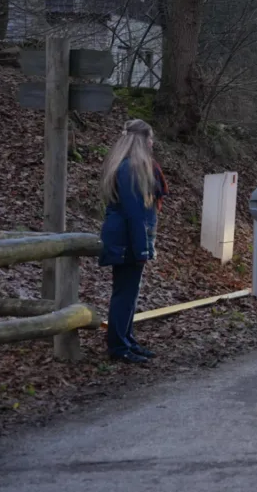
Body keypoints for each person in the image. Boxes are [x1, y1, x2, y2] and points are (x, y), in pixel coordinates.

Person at [98, 119, 168, 363]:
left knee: (129, 293)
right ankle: (118, 346)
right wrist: (141, 248)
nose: (152, 143)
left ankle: (127, 340)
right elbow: (134, 213)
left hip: (128, 238)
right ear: (141, 141)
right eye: (150, 138)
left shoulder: (131, 167)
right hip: (125, 240)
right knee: (124, 294)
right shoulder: (129, 168)